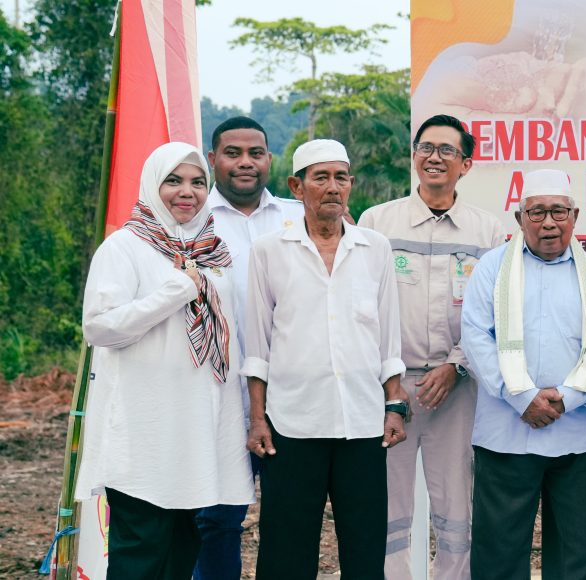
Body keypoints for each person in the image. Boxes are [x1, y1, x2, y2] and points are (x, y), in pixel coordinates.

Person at [77, 141, 253, 578]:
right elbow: (100, 327)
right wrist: (177, 290)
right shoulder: (125, 247)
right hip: (145, 431)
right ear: (152, 186)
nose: (186, 192)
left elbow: (232, 336)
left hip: (196, 431)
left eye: (197, 182)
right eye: (173, 181)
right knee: (142, 549)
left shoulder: (213, 251)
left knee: (181, 548)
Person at [242, 139, 409, 579]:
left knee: (365, 548)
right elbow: (257, 347)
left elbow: (388, 340)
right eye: (321, 178)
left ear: (350, 184)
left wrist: (394, 405)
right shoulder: (269, 251)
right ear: (297, 186)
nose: (333, 187)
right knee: (285, 552)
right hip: (292, 423)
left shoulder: (375, 248)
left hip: (363, 422)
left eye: (341, 177)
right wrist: (257, 419)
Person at [359, 114, 509, 580]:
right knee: (388, 508)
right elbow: (363, 306)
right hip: (390, 390)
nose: (434, 157)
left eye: (447, 150)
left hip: (457, 390)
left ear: (466, 164)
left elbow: (493, 311)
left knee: (456, 508)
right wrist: (389, 382)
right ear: (414, 156)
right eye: (426, 148)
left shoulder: (487, 230)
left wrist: (456, 366)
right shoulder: (377, 222)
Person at [460, 169, 586, 580]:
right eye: (537, 212)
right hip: (506, 432)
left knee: (576, 556)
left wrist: (569, 397)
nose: (549, 222)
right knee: (499, 554)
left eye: (558, 211)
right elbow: (475, 337)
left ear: (574, 216)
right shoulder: (491, 268)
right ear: (519, 218)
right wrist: (522, 397)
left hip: (574, 434)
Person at [193, 115, 302, 580]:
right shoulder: (191, 219)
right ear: (212, 158)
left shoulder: (299, 217)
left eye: (255, 153)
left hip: (291, 397)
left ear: (269, 159)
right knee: (215, 520)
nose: (245, 163)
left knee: (289, 518)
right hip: (216, 395)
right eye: (232, 153)